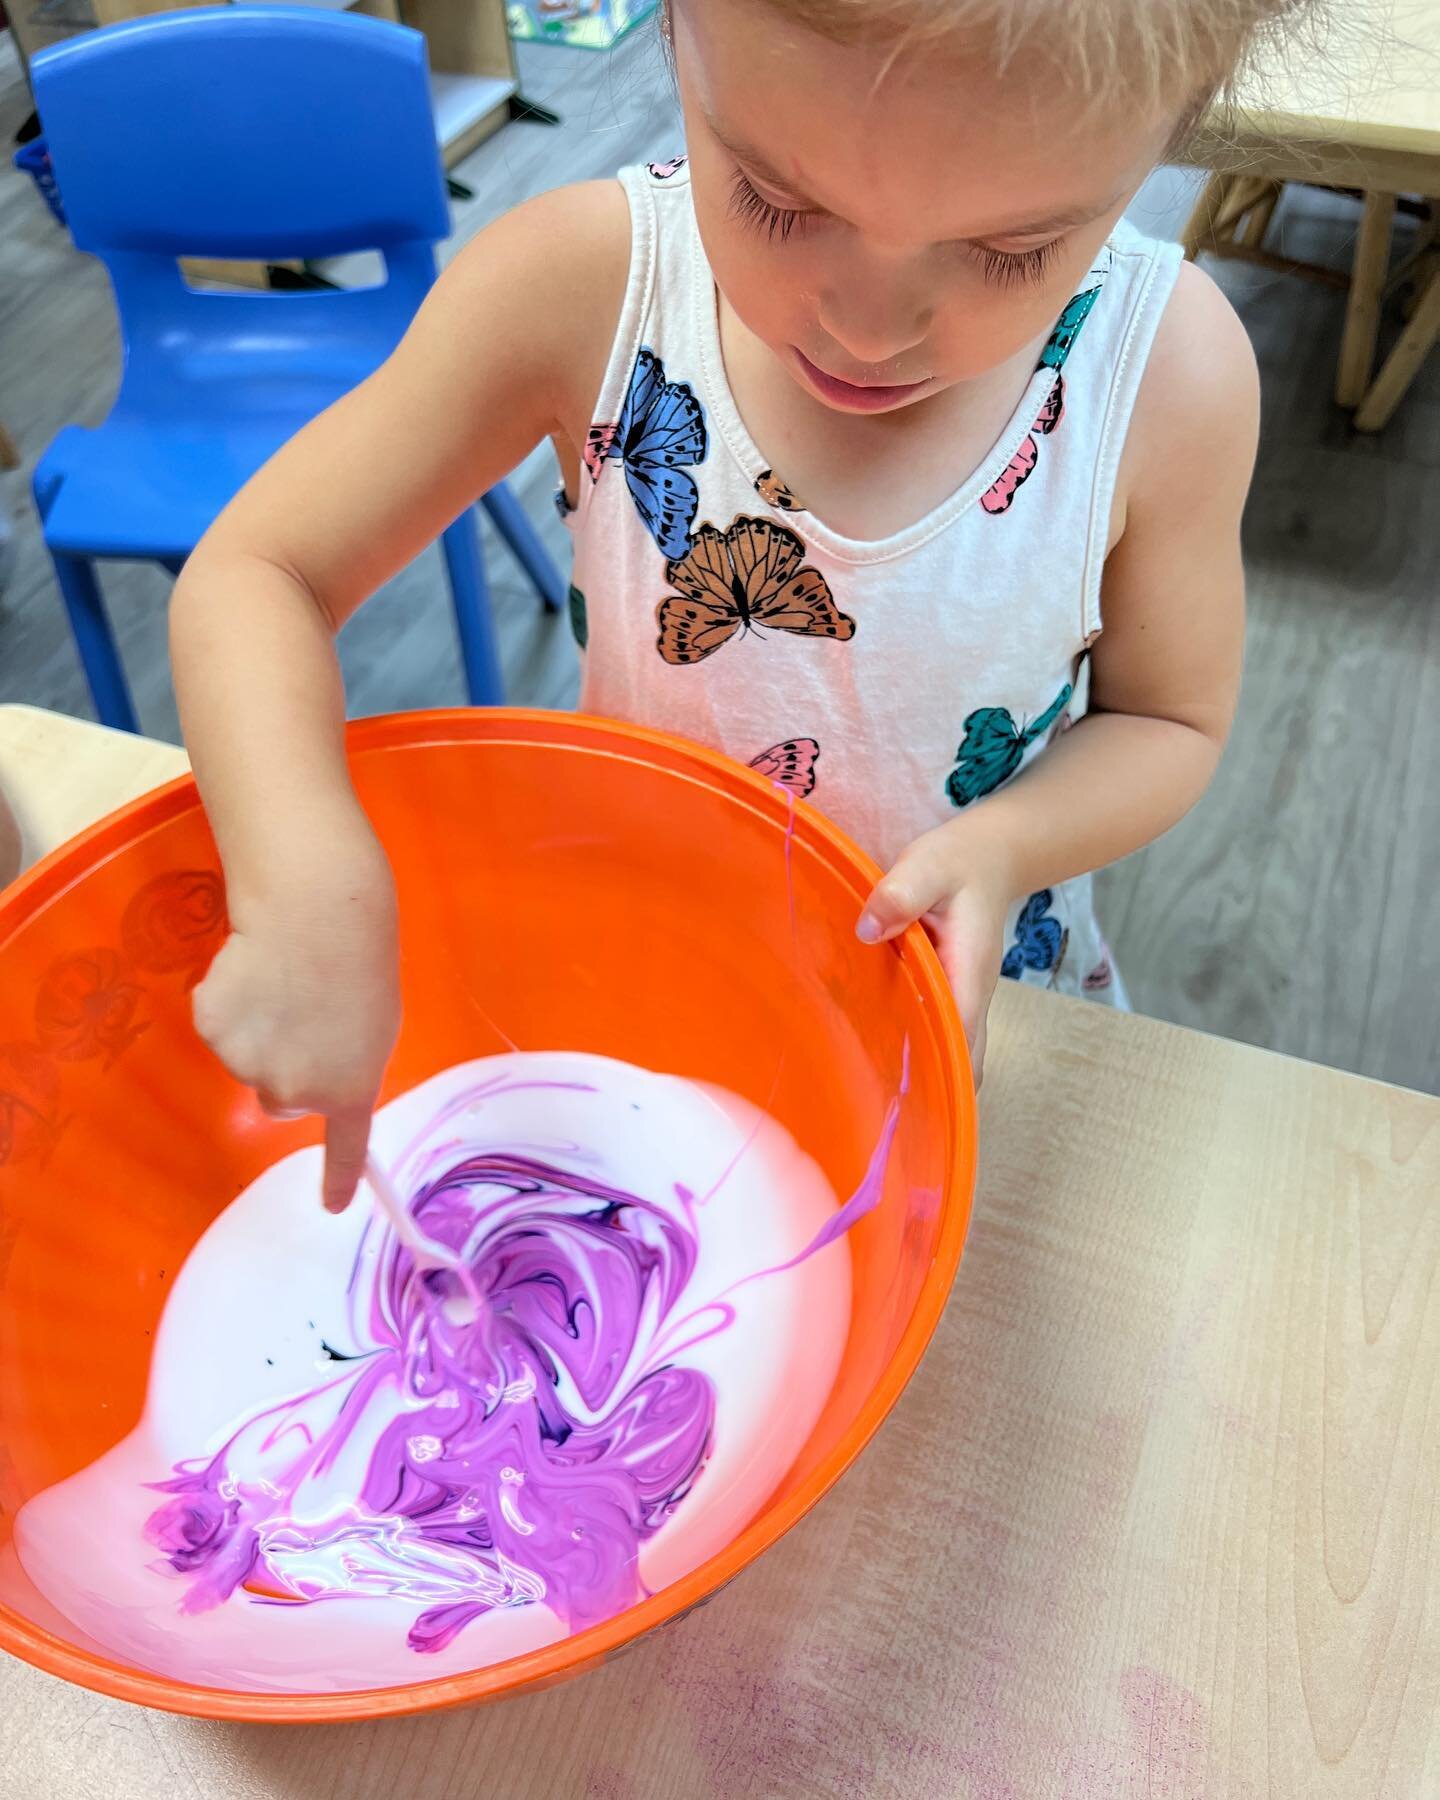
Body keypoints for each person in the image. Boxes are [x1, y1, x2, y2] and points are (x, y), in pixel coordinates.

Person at [173, 0, 1289, 1211]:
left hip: (970, 1031)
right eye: (777, 200)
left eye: (1012, 250)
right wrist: (299, 880)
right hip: (652, 996)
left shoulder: (1166, 380)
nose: (869, 328)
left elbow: (1169, 723)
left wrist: (1004, 846)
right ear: (675, 33)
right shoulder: (583, 287)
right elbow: (260, 572)